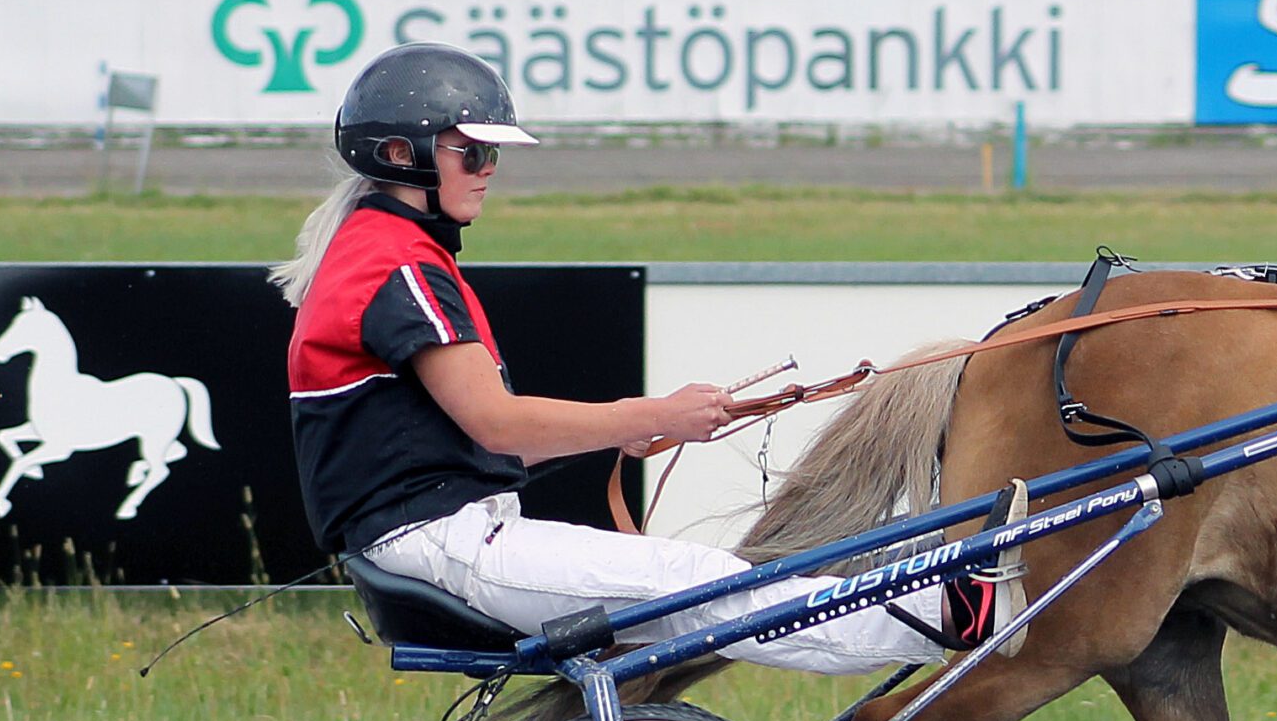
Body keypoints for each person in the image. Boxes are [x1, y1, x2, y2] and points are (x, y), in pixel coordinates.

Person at [278, 41, 1023, 671]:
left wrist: (628, 429)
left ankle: (941, 593)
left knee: (706, 586)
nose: (487, 167)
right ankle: (952, 612)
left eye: (492, 152)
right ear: (400, 154)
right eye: (470, 151)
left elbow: (464, 443)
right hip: (446, 544)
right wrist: (652, 414)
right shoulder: (396, 263)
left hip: (438, 538)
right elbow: (496, 424)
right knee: (706, 585)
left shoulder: (379, 250)